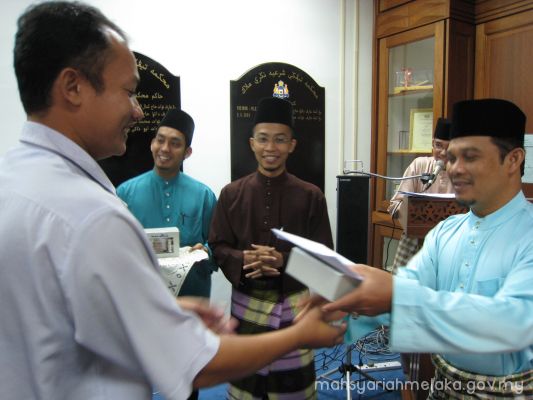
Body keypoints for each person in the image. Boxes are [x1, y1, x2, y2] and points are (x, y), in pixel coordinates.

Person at [0, 3, 346, 400]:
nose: (137, 110)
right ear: (73, 87)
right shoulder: (95, 216)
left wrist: (281, 264)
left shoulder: (13, 178)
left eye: (280, 139)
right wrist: (299, 334)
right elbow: (196, 362)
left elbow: (58, 316)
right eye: (128, 91)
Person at [321, 99, 533, 398]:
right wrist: (343, 301)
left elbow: (514, 323)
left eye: (470, 157)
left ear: (513, 160)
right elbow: (404, 294)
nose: (455, 169)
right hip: (442, 387)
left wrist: (396, 293)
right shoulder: (445, 232)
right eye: (451, 157)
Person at [209, 96, 334, 399]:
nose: (271, 148)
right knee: (246, 385)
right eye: (263, 139)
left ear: (292, 145)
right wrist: (245, 258)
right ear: (252, 143)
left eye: (280, 140)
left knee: (293, 388)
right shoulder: (231, 194)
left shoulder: (311, 196)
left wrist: (283, 261)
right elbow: (218, 245)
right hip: (247, 306)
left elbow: (324, 259)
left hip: (294, 307)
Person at [117, 108, 217, 299]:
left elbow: (217, 243)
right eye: (160, 140)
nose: (165, 148)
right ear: (152, 144)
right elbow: (115, 244)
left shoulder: (203, 195)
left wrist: (206, 250)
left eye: (175, 143)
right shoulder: (125, 193)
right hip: (142, 295)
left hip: (192, 294)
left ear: (187, 152)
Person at [388, 117, 453, 272]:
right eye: (439, 145)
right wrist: (409, 212)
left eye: (449, 147)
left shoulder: (462, 173)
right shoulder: (420, 164)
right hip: (414, 241)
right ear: (432, 144)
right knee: (401, 285)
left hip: (449, 245)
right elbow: (395, 204)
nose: (443, 152)